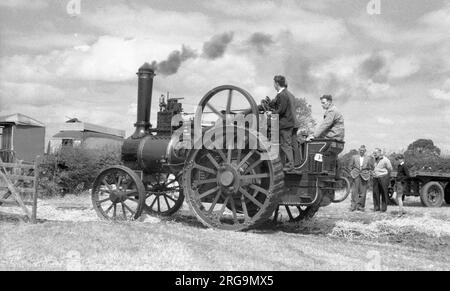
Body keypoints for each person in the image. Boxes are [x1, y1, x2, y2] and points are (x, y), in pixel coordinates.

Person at [267, 75, 296, 171]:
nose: (273, 85)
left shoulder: (282, 95)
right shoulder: (288, 94)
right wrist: (270, 103)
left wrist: (271, 113)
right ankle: (283, 164)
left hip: (284, 124)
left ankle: (290, 165)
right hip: (289, 123)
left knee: (285, 145)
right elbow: (279, 104)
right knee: (284, 144)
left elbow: (281, 109)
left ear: (277, 84)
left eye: (274, 83)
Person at [349, 145, 374, 212]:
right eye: (360, 150)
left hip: (364, 176)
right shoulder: (354, 157)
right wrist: (352, 173)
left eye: (363, 150)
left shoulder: (368, 158)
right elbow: (350, 166)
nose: (361, 151)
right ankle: (353, 206)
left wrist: (368, 173)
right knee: (354, 191)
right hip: (355, 175)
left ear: (365, 151)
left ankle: (361, 206)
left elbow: (371, 167)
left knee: (363, 192)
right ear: (359, 150)